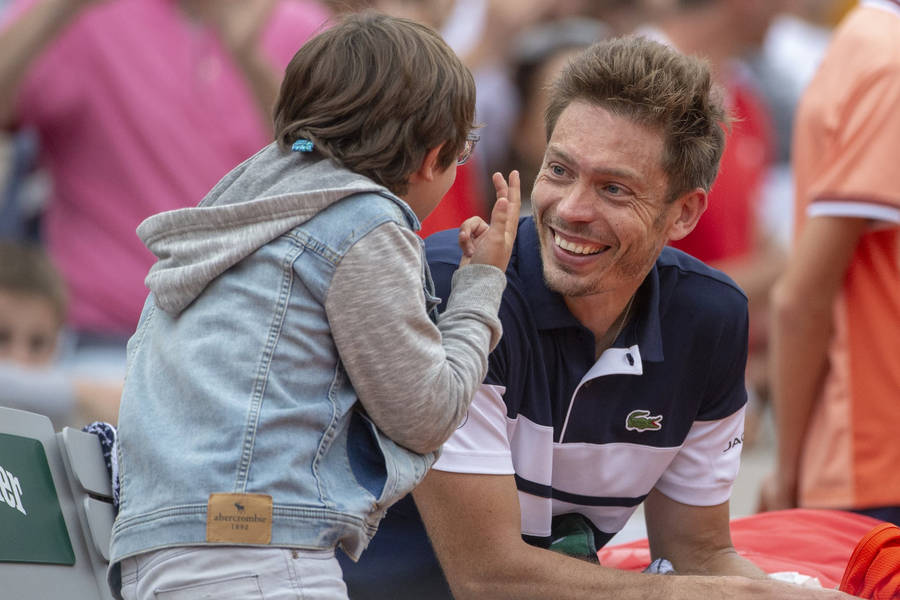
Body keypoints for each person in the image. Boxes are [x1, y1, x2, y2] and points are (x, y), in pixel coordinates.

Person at [343, 35, 855, 600]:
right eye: (560, 171)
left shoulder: (711, 318)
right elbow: (488, 577)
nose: (571, 210)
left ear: (683, 212)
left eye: (613, 188)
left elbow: (695, 553)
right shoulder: (453, 282)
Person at [108, 12, 521, 600]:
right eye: (463, 151)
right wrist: (481, 283)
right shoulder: (363, 221)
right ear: (433, 157)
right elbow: (427, 411)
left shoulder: (246, 199)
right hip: (259, 556)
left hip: (155, 556)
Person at [0, 0, 330, 378]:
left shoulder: (306, 29)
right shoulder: (85, 16)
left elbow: (316, 159)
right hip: (95, 342)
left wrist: (250, 61)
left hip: (241, 350)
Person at [759, 0, 900, 525]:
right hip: (872, 454)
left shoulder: (867, 42)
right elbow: (801, 296)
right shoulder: (888, 65)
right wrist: (788, 471)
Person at [0, 239, 120, 425]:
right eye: (2, 338)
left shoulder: (66, 413)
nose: (19, 360)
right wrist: (83, 394)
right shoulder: (78, 394)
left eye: (38, 344)